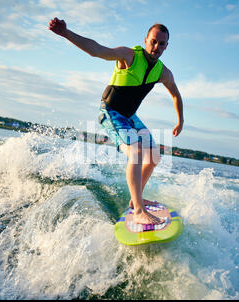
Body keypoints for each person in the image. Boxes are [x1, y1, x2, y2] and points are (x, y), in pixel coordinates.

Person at [48, 17, 184, 225]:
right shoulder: (128, 55)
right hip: (110, 112)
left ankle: (134, 199)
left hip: (130, 116)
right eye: (153, 41)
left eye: (161, 43)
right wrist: (66, 33)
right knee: (137, 153)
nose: (156, 46)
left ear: (166, 46)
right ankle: (138, 210)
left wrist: (180, 120)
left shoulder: (163, 72)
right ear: (146, 40)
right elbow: (96, 50)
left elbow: (175, 94)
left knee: (154, 156)